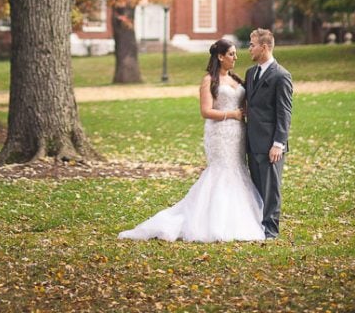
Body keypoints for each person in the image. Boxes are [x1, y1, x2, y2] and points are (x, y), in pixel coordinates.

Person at [118, 38, 265, 243]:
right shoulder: (209, 81)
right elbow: (206, 111)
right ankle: (213, 222)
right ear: (220, 57)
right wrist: (232, 114)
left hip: (238, 134)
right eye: (231, 54)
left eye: (235, 54)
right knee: (221, 171)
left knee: (238, 169)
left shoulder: (237, 79)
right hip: (219, 134)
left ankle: (239, 216)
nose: (235, 57)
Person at [245, 28, 293, 240]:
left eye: (252, 45)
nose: (249, 49)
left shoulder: (281, 76)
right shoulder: (250, 73)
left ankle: (271, 231)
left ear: (264, 47)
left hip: (271, 145)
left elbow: (285, 112)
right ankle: (256, 226)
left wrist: (278, 144)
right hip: (252, 142)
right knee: (256, 188)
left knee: (271, 189)